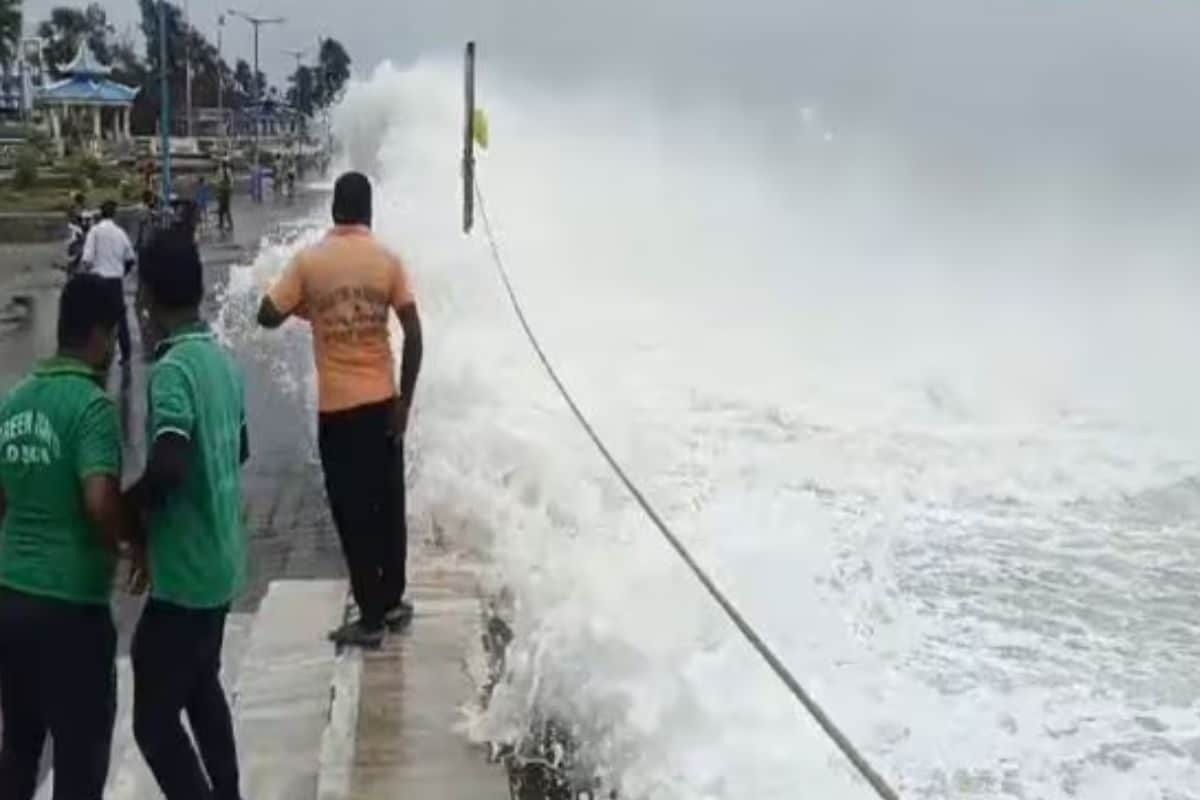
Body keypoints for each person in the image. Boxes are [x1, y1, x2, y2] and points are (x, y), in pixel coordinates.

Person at [257, 171, 423, 648]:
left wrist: (311, 307)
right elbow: (414, 332)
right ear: (368, 212)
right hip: (383, 406)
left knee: (352, 512)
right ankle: (391, 602)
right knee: (388, 506)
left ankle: (370, 619)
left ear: (334, 209)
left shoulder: (310, 262)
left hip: (339, 412)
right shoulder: (388, 261)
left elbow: (267, 315)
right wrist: (405, 403)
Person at [126, 229, 249, 800]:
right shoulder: (221, 364)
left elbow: (171, 463)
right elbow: (239, 449)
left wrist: (130, 513)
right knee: (201, 688)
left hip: (186, 580)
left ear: (147, 296)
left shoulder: (172, 372)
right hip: (223, 564)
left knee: (152, 723)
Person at [0, 274, 132, 799]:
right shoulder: (91, 407)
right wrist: (124, 543)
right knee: (81, 756)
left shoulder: (16, 400)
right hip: (71, 610)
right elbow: (99, 500)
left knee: (20, 748)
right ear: (101, 335)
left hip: (11, 600)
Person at [81, 200, 136, 365]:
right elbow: (130, 258)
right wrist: (122, 272)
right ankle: (126, 354)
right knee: (120, 319)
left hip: (98, 280)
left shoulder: (95, 232)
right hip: (115, 282)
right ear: (114, 214)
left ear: (100, 213)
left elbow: (87, 259)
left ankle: (97, 354)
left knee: (98, 319)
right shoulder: (120, 233)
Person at [217, 163, 234, 235]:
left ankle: (229, 224)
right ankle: (222, 224)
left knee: (225, 209)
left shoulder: (226, 171)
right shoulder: (225, 171)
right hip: (224, 191)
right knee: (222, 210)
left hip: (225, 192)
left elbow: (228, 181)